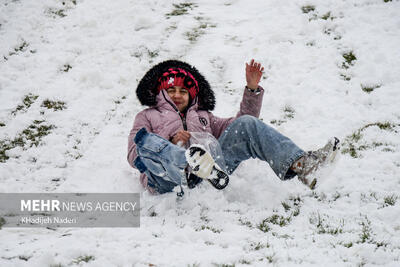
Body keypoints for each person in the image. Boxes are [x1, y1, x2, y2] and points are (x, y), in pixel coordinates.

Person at [127, 59, 339, 194]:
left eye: (183, 91)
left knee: (247, 125)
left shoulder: (203, 117)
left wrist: (251, 89)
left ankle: (304, 166)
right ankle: (186, 164)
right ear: (161, 93)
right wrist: (170, 143)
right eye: (171, 90)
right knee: (146, 141)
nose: (177, 95)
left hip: (211, 174)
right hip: (167, 177)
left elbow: (243, 127)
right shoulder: (147, 116)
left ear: (191, 95)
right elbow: (133, 154)